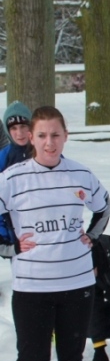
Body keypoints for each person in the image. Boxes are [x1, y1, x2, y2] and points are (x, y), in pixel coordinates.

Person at [0, 106, 110, 361]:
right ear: (31, 139)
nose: (50, 142)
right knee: (32, 358)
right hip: (32, 286)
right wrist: (10, 247)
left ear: (66, 137)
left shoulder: (81, 175)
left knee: (72, 355)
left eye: (56, 135)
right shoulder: (11, 179)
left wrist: (93, 235)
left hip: (77, 283)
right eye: (42, 136)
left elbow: (103, 207)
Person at [0, 101, 34, 252]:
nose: (19, 133)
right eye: (14, 128)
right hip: (15, 232)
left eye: (23, 126)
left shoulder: (44, 150)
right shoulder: (4, 157)